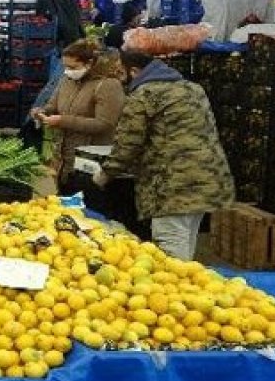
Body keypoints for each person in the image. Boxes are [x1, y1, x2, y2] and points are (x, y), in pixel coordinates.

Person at [96, 50, 234, 260]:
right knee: (186, 239)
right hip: (208, 177)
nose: (121, 81)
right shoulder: (192, 88)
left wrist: (105, 174)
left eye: (121, 75)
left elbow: (128, 143)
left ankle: (177, 290)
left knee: (170, 251)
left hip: (172, 185)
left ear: (134, 71)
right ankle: (189, 285)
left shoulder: (144, 95)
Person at [31, 40, 126, 195]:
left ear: (89, 63)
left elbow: (105, 124)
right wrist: (41, 111)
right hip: (63, 159)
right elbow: (53, 105)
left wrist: (63, 121)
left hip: (90, 161)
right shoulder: (67, 81)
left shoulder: (108, 85)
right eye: (65, 67)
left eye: (72, 67)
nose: (67, 71)